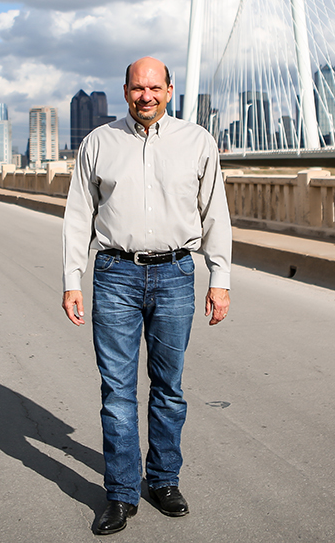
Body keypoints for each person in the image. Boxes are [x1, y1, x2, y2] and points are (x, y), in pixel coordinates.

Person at [61, 56, 231, 535]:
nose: (146, 96)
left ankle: (162, 480)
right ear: (125, 91)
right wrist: (72, 280)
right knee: (117, 391)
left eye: (155, 87)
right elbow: (78, 216)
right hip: (115, 272)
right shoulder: (99, 143)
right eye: (138, 88)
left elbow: (215, 212)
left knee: (169, 387)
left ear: (170, 90)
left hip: (177, 272)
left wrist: (221, 279)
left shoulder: (198, 143)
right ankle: (119, 494)